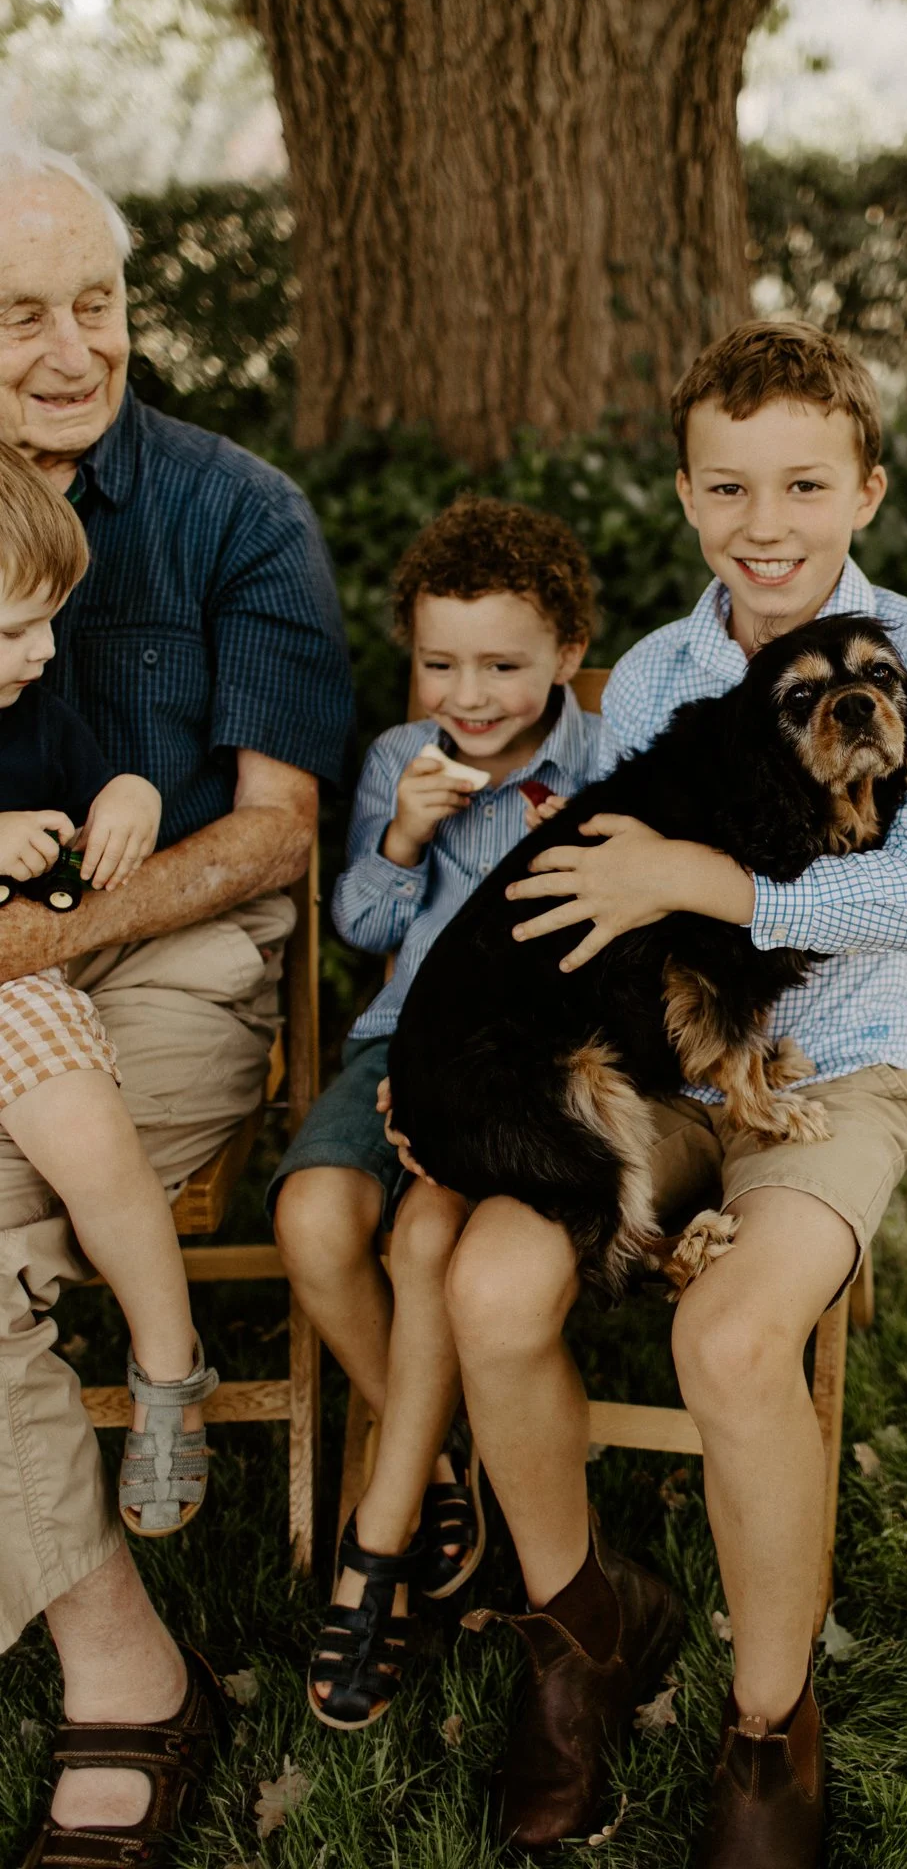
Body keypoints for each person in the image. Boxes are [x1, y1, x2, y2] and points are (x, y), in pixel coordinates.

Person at [443, 321, 907, 1864]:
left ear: (865, 490)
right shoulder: (661, 678)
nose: (766, 524)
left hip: (844, 1063)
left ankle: (766, 1725)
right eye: (730, 487)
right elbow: (602, 916)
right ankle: (583, 1626)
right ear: (685, 494)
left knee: (732, 1337)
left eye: (804, 484)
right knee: (490, 1286)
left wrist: (712, 883)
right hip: (663, 1065)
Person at [0, 140, 351, 1867]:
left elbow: (277, 831)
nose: (73, 350)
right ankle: (127, 1647)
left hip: (176, 953)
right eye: (19, 317)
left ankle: (125, 1685)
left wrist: (46, 935)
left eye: (97, 302)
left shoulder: (237, 509)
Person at [270, 496, 603, 1730]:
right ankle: (448, 1457)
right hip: (395, 1035)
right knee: (314, 1216)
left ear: (567, 652)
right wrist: (406, 834)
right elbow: (361, 923)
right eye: (439, 662)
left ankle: (380, 1541)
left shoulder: (604, 767)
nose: (468, 694)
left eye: (503, 665)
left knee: (422, 1241)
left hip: (515, 1060)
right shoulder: (401, 756)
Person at [0, 442, 221, 1540]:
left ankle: (169, 1368)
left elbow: (104, 779)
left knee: (93, 1137)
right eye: (14, 630)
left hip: (14, 987)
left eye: (50, 620)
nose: (44, 650)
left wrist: (130, 791)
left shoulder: (33, 710)